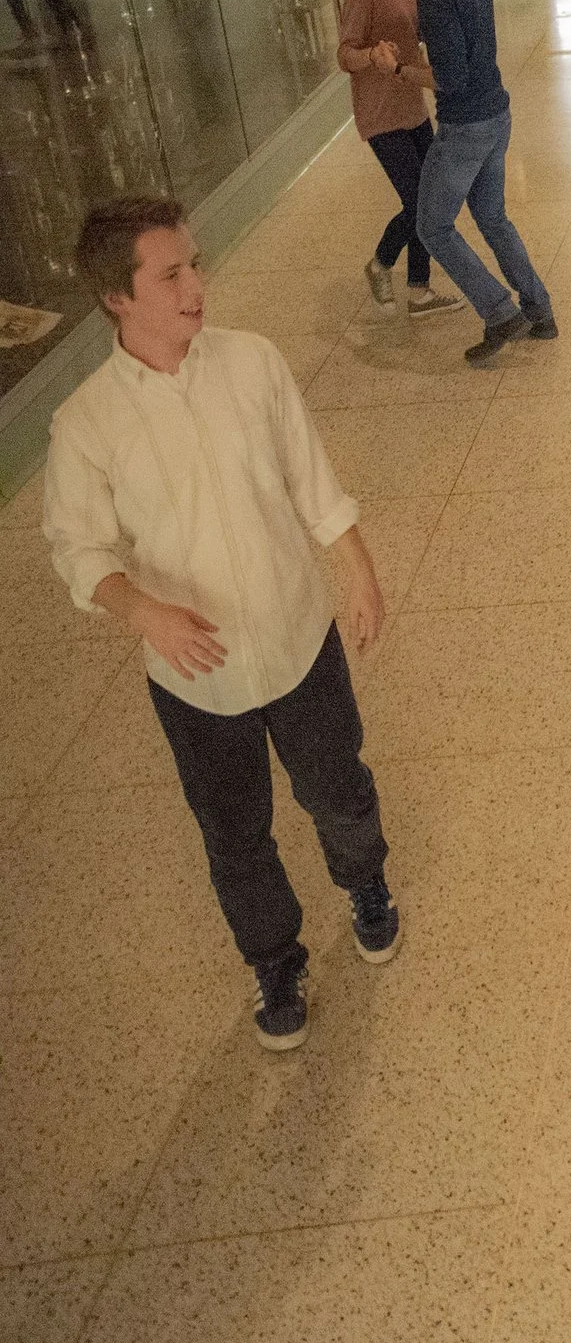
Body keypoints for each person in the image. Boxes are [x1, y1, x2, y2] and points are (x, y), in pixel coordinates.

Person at [42, 197, 398, 1052]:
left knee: (336, 785)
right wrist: (141, 609)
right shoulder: (85, 422)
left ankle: (367, 885)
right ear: (117, 299)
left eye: (195, 264)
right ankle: (275, 959)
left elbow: (309, 478)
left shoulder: (253, 363)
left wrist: (355, 564)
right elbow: (77, 547)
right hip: (196, 677)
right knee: (234, 832)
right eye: (173, 274)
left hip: (297, 635)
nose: (200, 285)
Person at [397, 0, 556, 369]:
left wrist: (400, 70)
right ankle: (539, 310)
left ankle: (498, 312)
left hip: (465, 127)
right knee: (492, 217)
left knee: (432, 226)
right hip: (497, 114)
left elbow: (450, 77)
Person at [338, 0, 460, 320]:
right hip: (380, 111)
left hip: (411, 102)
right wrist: (371, 55)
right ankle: (381, 264)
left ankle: (419, 290)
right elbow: (344, 53)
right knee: (419, 202)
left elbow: (418, 33)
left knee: (431, 198)